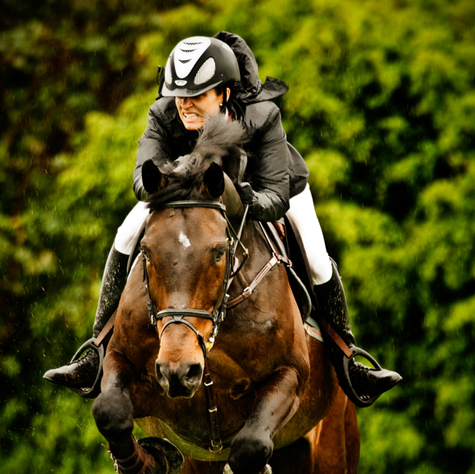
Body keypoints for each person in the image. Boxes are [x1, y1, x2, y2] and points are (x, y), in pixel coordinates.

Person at [44, 32, 401, 406]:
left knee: (314, 256)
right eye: (180, 96)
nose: (185, 105)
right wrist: (183, 176)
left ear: (224, 94)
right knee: (126, 231)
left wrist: (236, 194)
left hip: (267, 188)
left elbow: (276, 197)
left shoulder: (262, 117)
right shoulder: (163, 114)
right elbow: (141, 181)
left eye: (196, 96)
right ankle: (95, 352)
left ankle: (348, 358)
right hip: (187, 191)